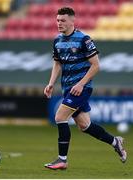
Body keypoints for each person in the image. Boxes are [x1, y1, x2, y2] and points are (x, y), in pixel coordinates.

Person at [43, 7, 127, 170]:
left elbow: (96, 66)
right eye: (58, 20)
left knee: (60, 116)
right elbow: (57, 62)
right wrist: (51, 83)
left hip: (82, 88)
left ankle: (62, 160)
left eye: (63, 20)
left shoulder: (84, 39)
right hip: (68, 88)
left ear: (72, 21)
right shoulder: (57, 41)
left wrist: (81, 84)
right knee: (85, 126)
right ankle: (115, 141)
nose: (59, 23)